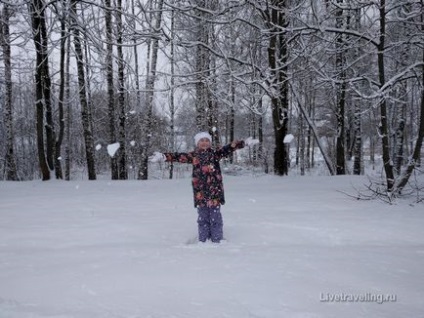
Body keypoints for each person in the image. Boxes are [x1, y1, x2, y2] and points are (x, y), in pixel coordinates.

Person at [149, 132, 252, 243]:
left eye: (207, 140)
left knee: (215, 217)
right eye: (201, 140)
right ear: (197, 143)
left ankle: (217, 239)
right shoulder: (194, 156)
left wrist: (242, 144)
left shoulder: (215, 154)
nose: (204, 143)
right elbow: (179, 157)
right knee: (203, 218)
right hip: (200, 193)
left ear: (210, 143)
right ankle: (203, 240)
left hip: (215, 192)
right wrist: (164, 156)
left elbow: (228, 149)